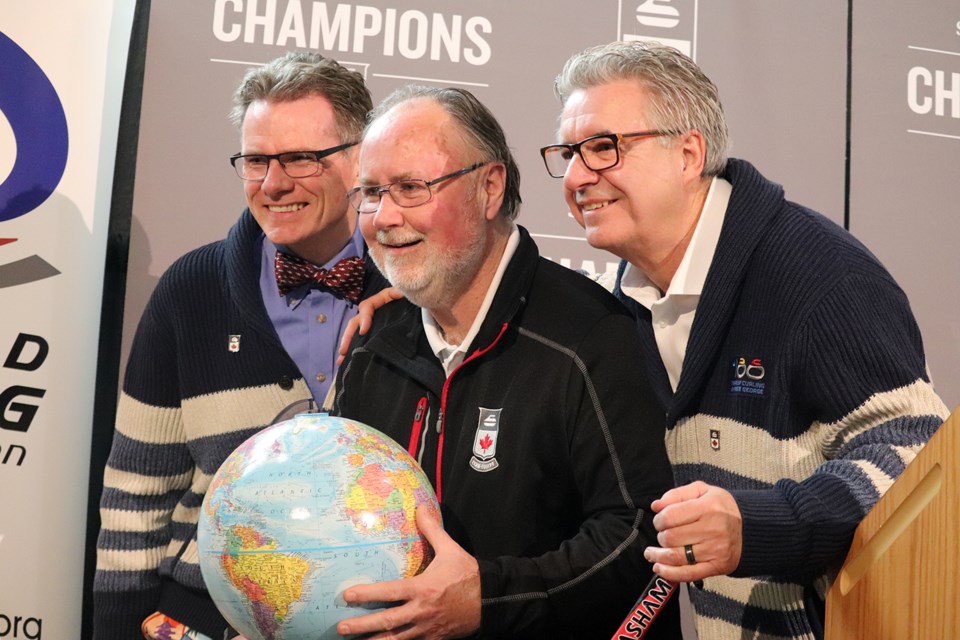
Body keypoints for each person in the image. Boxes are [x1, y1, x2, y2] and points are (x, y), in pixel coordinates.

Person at [539, 41, 950, 639]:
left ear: (687, 153)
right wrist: (406, 291)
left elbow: (919, 456)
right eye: (568, 153)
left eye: (604, 149)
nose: (577, 177)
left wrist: (760, 525)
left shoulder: (821, 278)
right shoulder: (631, 296)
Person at [329, 85, 680, 639]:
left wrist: (488, 601)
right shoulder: (373, 344)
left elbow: (640, 535)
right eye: (370, 192)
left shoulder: (594, 339)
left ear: (489, 187)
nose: (384, 216)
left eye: (411, 188)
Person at [93, 51, 379, 639]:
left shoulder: (420, 291)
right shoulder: (190, 290)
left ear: (360, 159)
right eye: (256, 160)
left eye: (300, 158)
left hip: (379, 622)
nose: (274, 184)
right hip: (201, 620)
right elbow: (135, 493)